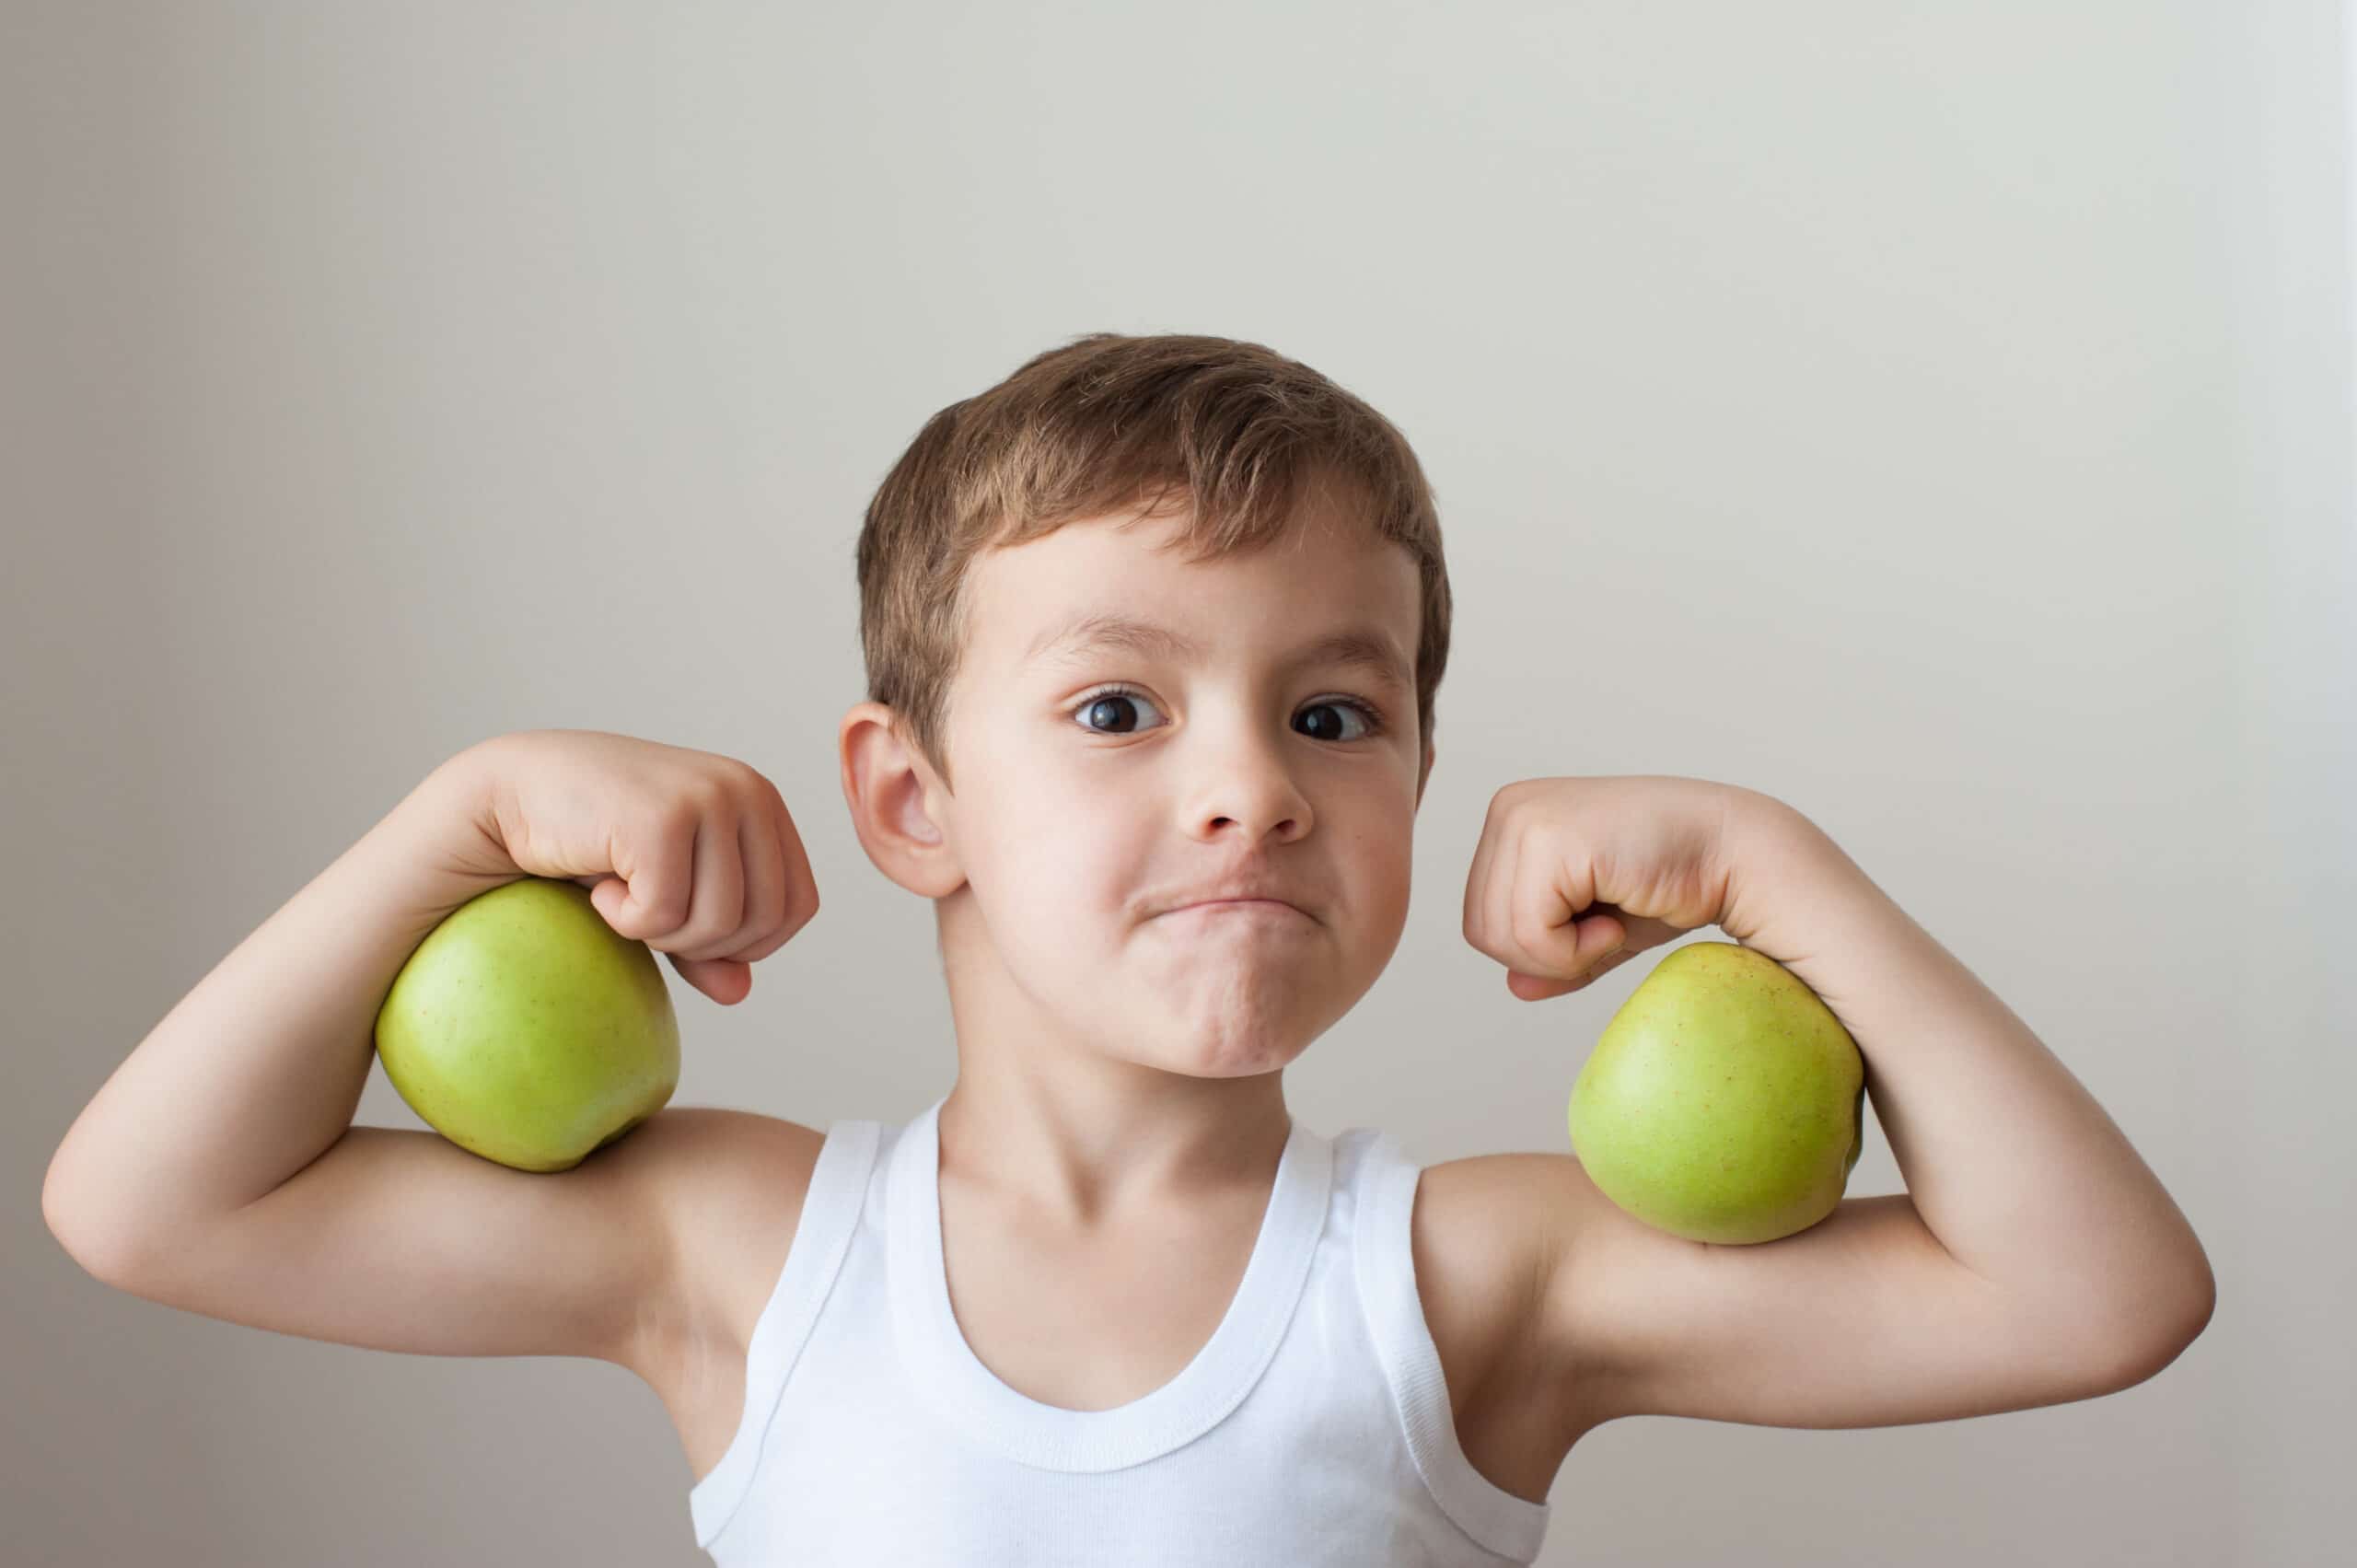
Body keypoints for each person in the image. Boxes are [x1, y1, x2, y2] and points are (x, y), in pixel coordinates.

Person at [41, 332, 2216, 1565]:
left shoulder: (1468, 1283)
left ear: (1416, 783)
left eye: (1332, 713)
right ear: (911, 800)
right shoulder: (748, 1250)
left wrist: (1776, 872)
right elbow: (148, 1204)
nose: (1250, 785)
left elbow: (2094, 1297)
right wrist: (461, 816)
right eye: (1114, 707)